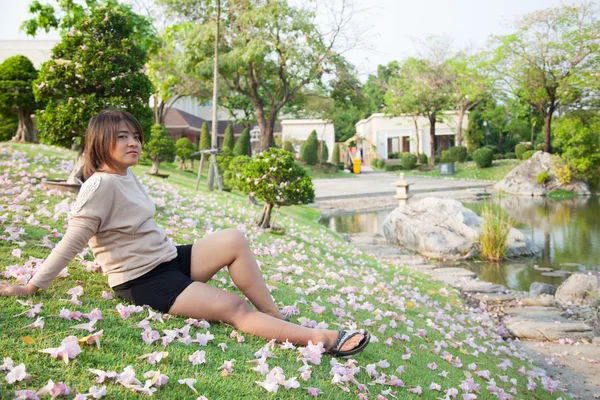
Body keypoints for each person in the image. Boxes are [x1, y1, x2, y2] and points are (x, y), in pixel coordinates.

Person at [0, 109, 370, 357]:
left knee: (234, 240)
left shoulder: (123, 176)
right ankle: (322, 340)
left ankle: (277, 319)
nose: (134, 143)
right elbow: (74, 239)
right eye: (122, 137)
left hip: (168, 260)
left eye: (136, 136)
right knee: (231, 307)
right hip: (143, 280)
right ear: (101, 143)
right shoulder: (100, 186)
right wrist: (32, 286)